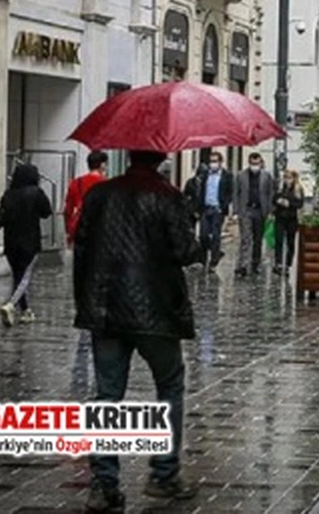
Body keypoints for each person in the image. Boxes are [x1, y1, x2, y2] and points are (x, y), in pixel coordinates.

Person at [74, 150, 203, 511]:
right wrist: (196, 240)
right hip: (155, 311)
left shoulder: (100, 195)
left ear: (129, 156)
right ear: (160, 157)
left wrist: (85, 303)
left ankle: (103, 483)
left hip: (106, 309)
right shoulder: (168, 196)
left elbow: (81, 247)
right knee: (170, 385)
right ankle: (164, 474)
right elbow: (183, 250)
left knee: (108, 395)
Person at [0, 163, 53, 327]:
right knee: (25, 278)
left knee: (18, 276)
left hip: (11, 243)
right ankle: (11, 305)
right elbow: (46, 212)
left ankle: (26, 310)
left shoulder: (9, 195)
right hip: (30, 242)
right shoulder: (36, 193)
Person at [185, 152, 233, 269]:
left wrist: (224, 206)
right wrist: (198, 208)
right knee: (203, 235)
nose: (213, 164)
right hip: (205, 208)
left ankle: (213, 260)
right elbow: (200, 192)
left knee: (216, 235)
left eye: (215, 161)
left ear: (221, 162)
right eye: (211, 161)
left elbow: (229, 193)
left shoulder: (227, 176)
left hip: (217, 209)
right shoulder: (205, 175)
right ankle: (205, 257)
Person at [232, 153, 274, 278]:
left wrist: (270, 211)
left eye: (256, 163)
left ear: (260, 163)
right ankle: (243, 264)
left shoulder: (267, 176)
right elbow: (236, 193)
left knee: (258, 239)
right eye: (252, 163)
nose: (254, 166)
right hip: (246, 210)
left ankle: (256, 264)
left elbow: (270, 193)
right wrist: (236, 211)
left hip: (261, 211)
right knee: (245, 238)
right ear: (248, 162)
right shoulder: (241, 176)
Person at [64, 151, 109, 246]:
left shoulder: (76, 182)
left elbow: (68, 209)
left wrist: (68, 229)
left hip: (79, 225)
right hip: (99, 228)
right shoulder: (107, 184)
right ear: (102, 165)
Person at [274, 170, 305, 275]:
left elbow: (300, 203)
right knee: (278, 240)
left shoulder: (298, 189)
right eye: (285, 177)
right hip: (279, 217)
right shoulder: (280, 187)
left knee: (290, 242)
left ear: (293, 178)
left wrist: (289, 203)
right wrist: (278, 201)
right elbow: (273, 198)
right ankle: (278, 263)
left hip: (292, 219)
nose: (287, 180)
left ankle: (288, 264)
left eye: (289, 177)